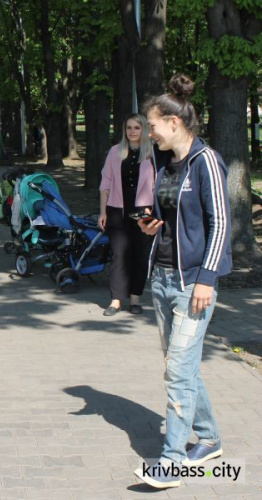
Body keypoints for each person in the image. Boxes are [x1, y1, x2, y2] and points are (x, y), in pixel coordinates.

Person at [133, 74, 232, 490]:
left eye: (152, 125)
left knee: (177, 372)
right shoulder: (164, 162)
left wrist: (207, 278)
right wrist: (152, 227)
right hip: (163, 278)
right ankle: (208, 439)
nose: (148, 132)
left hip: (194, 283)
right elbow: (174, 217)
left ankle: (172, 460)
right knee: (182, 368)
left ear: (174, 123)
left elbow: (221, 222)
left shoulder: (206, 161)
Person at [98, 114, 156, 316]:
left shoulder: (152, 154)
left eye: (136, 128)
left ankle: (135, 298)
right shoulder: (115, 152)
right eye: (128, 128)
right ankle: (116, 300)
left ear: (144, 130)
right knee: (119, 255)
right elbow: (105, 184)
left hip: (143, 211)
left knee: (140, 255)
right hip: (117, 210)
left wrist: (152, 209)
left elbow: (158, 185)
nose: (132, 132)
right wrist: (102, 212)